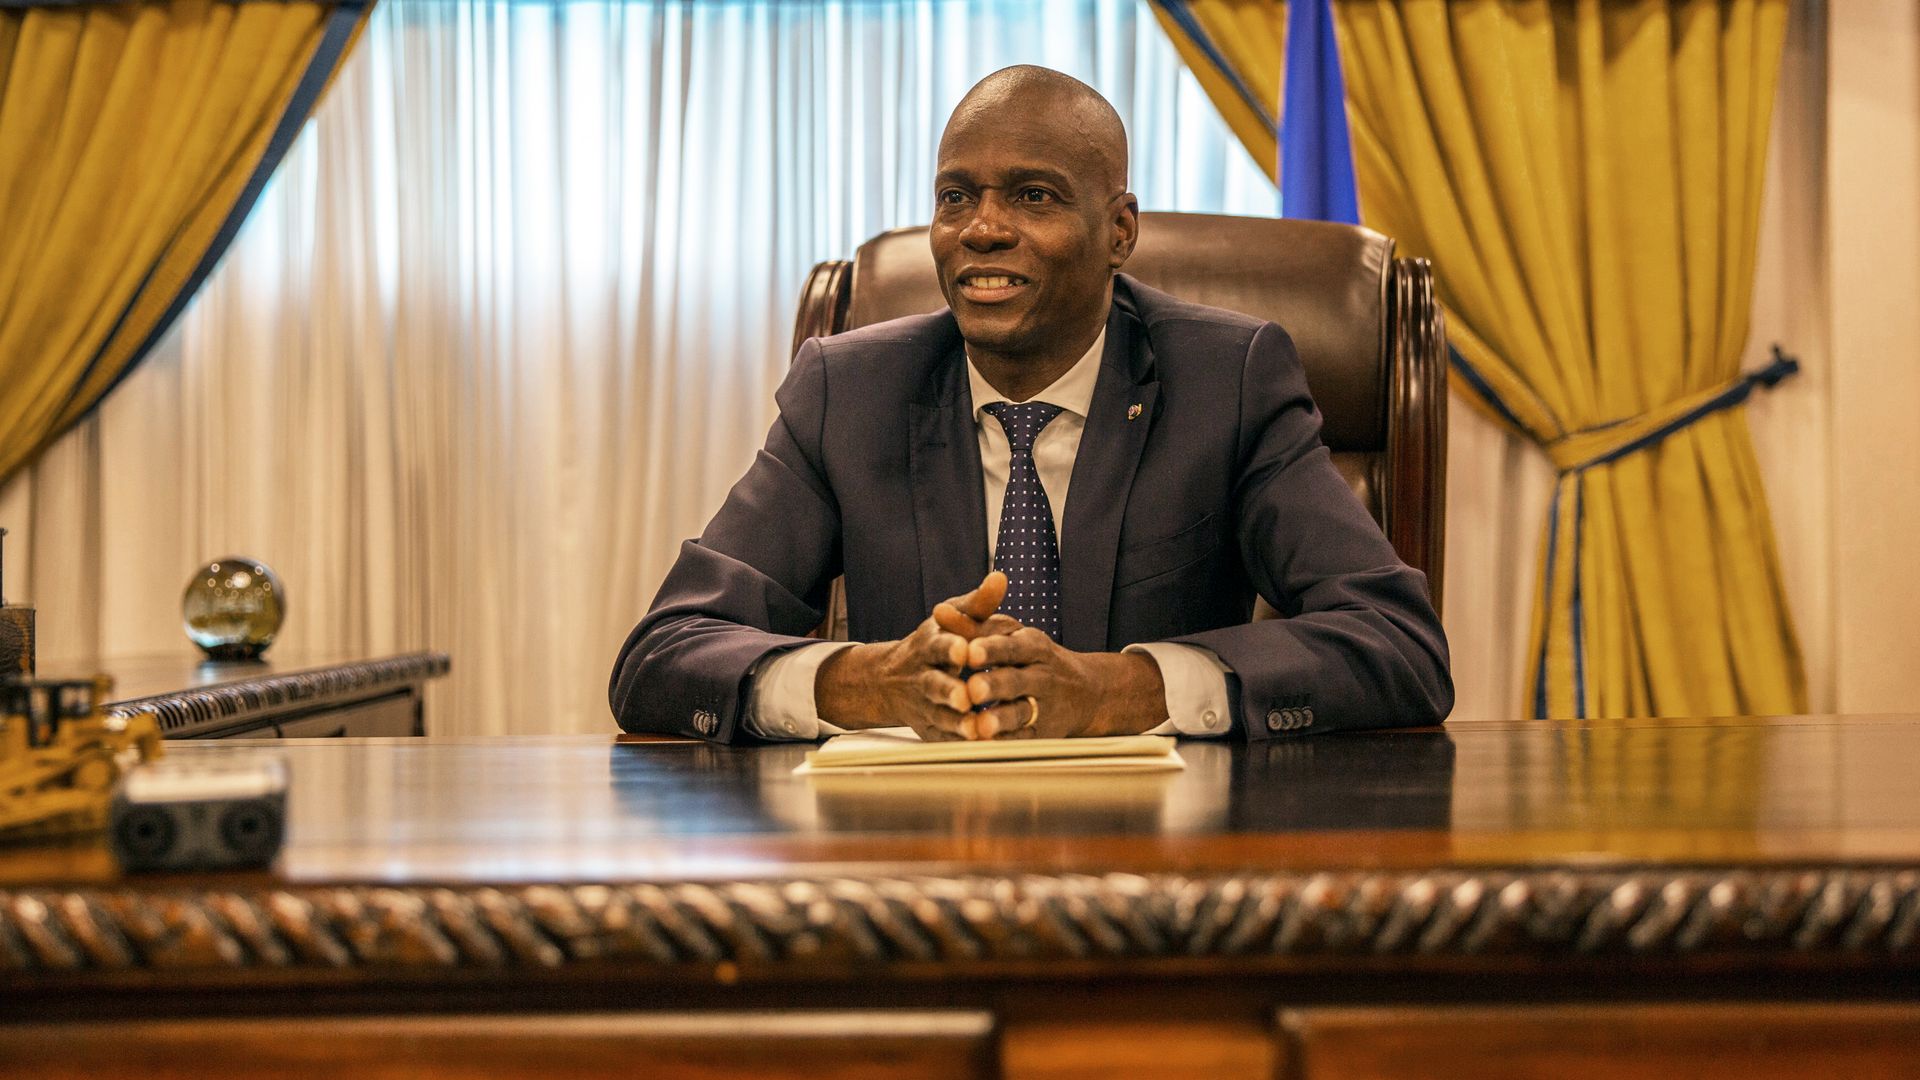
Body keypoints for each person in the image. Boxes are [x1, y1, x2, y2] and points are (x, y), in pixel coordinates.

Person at [610, 66, 1451, 744]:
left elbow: (1398, 644)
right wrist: (863, 682)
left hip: (1162, 870)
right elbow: (665, 653)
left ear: (1120, 230)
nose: (981, 229)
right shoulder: (849, 391)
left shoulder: (1225, 380)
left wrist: (1121, 688)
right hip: (910, 866)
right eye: (955, 197)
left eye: (1033, 196)